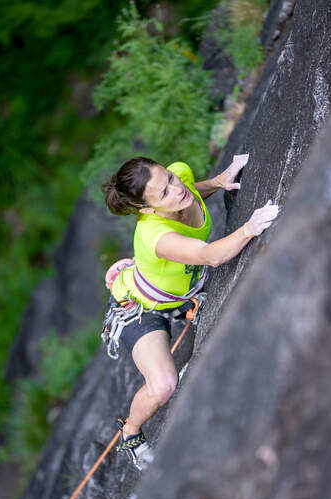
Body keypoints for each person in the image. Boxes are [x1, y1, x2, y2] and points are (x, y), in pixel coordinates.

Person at [102, 154, 278, 469]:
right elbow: (210, 255)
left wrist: (219, 181)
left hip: (176, 293)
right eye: (164, 193)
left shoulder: (179, 175)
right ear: (147, 209)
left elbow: (192, 190)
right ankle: (130, 433)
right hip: (141, 309)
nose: (176, 188)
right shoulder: (157, 236)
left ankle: (185, 306)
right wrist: (249, 228)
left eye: (168, 178)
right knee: (164, 384)